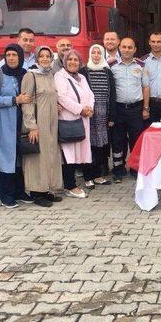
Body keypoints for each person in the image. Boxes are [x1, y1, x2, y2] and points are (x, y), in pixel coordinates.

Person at [0, 44, 33, 209]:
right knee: (6, 158)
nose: (11, 58)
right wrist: (14, 100)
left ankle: (20, 191)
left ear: (20, 57)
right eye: (8, 55)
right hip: (5, 122)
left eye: (14, 55)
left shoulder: (25, 74)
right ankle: (6, 194)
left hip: (22, 122)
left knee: (20, 157)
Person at [21, 46, 63, 207]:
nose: (45, 59)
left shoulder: (50, 75)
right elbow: (27, 102)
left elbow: (51, 96)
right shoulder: (31, 75)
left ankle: (47, 189)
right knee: (38, 157)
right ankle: (36, 192)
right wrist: (31, 126)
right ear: (37, 59)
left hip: (52, 121)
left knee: (50, 154)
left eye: (48, 56)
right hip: (39, 122)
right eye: (42, 56)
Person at [55, 50, 95, 197]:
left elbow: (90, 94)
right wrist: (80, 110)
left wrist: (89, 108)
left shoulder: (82, 77)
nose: (73, 62)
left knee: (80, 151)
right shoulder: (60, 77)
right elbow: (62, 97)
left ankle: (73, 183)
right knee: (68, 153)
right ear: (65, 62)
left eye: (76, 60)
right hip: (69, 120)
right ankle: (70, 186)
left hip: (83, 119)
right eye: (70, 60)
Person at [110, 37, 150, 181]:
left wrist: (146, 108)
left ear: (135, 50)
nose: (126, 50)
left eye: (130, 47)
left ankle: (135, 168)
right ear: (119, 48)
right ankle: (118, 170)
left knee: (136, 139)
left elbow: (145, 87)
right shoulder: (111, 66)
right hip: (118, 109)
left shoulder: (141, 65)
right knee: (118, 141)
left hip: (135, 109)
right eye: (124, 47)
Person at [80, 44, 116, 189]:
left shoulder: (108, 72)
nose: (96, 55)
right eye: (93, 53)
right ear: (90, 54)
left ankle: (97, 175)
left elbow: (112, 95)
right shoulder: (83, 71)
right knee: (88, 145)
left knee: (101, 146)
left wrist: (111, 116)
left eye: (98, 53)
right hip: (89, 113)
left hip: (103, 114)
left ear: (102, 55)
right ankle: (88, 177)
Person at [141, 32, 161, 123]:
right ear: (149, 42)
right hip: (149, 103)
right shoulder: (142, 61)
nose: (156, 44)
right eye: (153, 41)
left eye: (159, 41)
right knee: (150, 132)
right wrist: (145, 107)